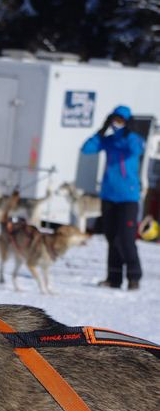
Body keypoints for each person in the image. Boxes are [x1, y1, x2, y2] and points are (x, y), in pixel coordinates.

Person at [81, 105, 144, 291]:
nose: (117, 124)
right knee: (111, 237)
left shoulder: (133, 139)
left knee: (126, 239)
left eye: (121, 120)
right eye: (114, 120)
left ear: (128, 122)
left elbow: (135, 149)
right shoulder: (108, 141)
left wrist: (127, 133)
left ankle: (134, 277)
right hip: (109, 196)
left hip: (128, 197)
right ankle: (114, 278)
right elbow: (86, 148)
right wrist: (101, 132)